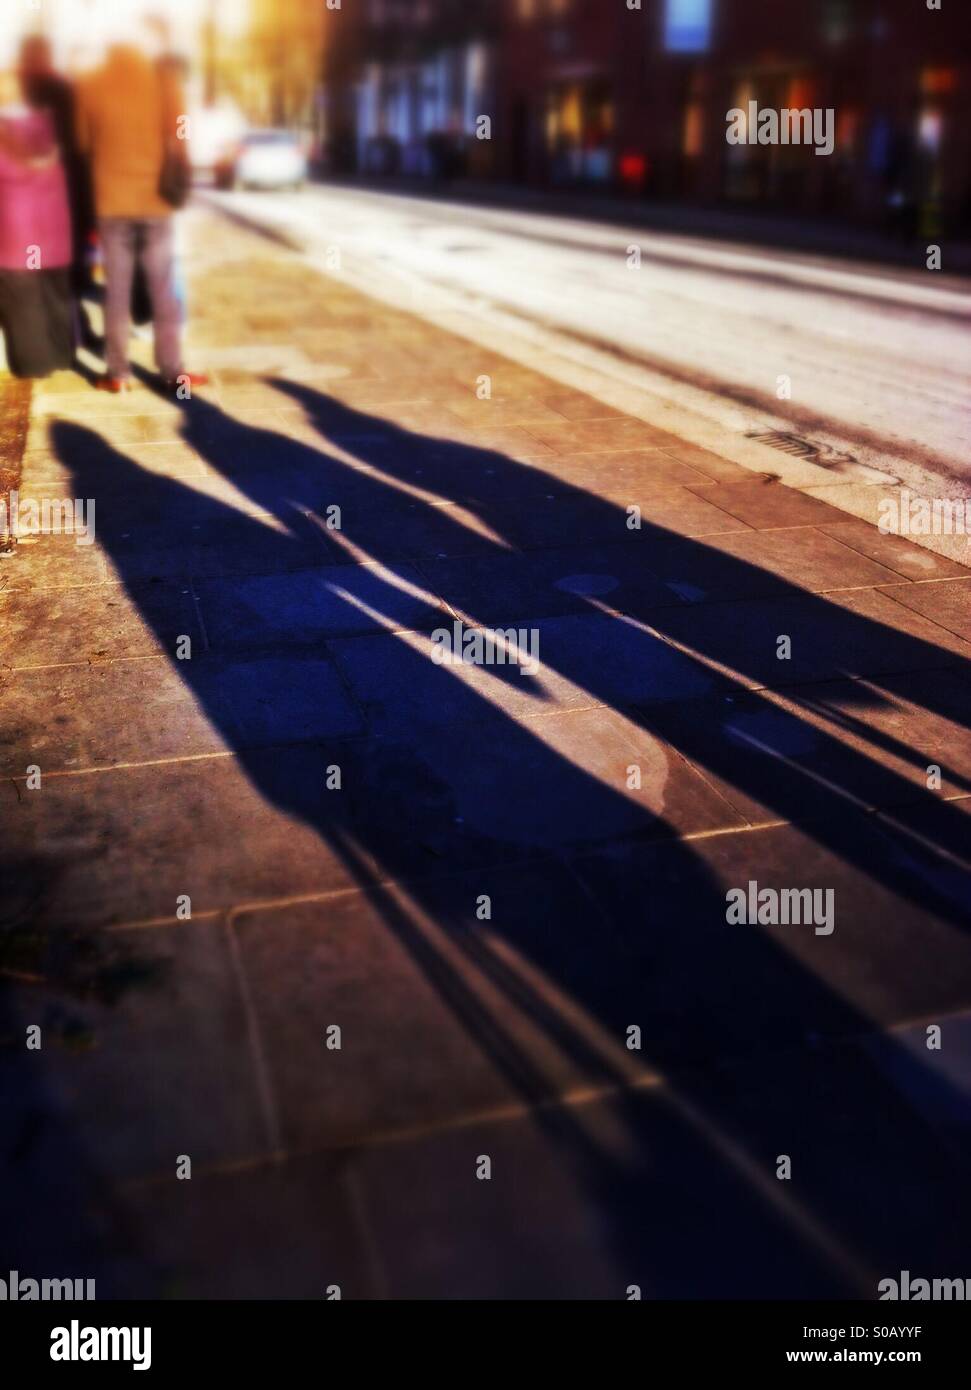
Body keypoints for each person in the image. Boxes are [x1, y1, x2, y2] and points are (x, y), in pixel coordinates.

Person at [75, 26, 206, 394]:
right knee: (162, 288)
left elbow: (82, 142)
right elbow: (180, 127)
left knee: (116, 290)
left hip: (111, 200)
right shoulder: (162, 80)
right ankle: (171, 370)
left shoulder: (89, 84)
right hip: (155, 199)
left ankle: (118, 374)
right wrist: (178, 157)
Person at [0, 68, 74, 378]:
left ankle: (35, 364)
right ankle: (62, 355)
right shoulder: (46, 122)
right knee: (54, 293)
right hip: (52, 229)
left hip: (18, 232)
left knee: (23, 301)